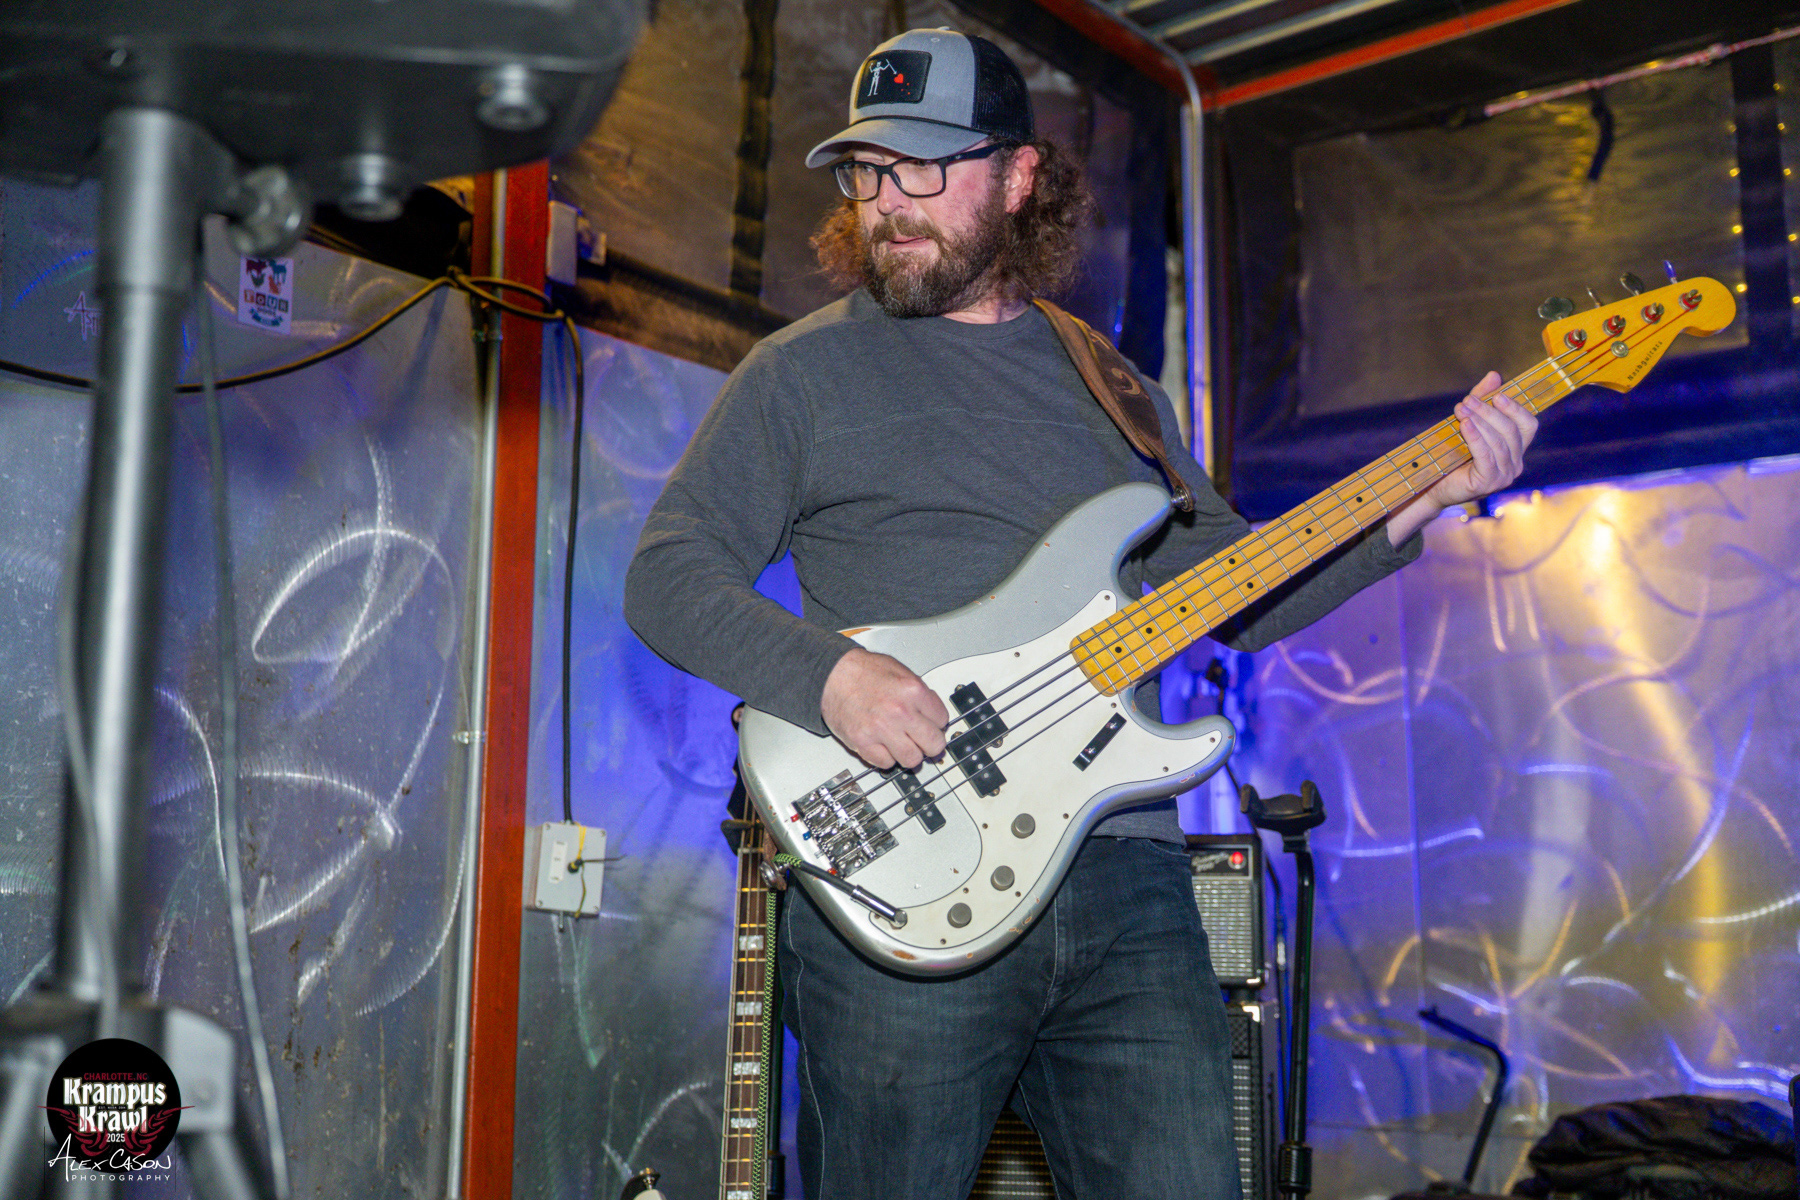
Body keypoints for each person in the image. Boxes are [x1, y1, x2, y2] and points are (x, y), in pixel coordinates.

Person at [623, 27, 1537, 1200]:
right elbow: (668, 574)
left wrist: (1427, 496)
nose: (887, 202)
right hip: (904, 879)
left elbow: (1241, 591)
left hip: (1124, 885)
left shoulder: (1115, 387)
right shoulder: (799, 375)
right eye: (866, 170)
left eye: (924, 167)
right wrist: (831, 679)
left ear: (1018, 177)